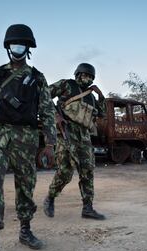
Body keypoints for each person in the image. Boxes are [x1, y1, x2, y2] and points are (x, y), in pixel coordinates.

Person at [0, 24, 56, 251]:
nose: (18, 49)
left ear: (28, 49)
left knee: (26, 186)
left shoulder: (38, 78)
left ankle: (25, 230)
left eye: (22, 45)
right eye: (14, 45)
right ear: (8, 48)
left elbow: (47, 111)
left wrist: (49, 144)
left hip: (26, 139)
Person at [43, 63, 106, 220]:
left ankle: (88, 208)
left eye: (90, 77)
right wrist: (55, 115)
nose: (88, 79)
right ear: (78, 74)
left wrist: (101, 96)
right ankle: (50, 197)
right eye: (85, 75)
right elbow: (44, 95)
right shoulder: (67, 85)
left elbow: (102, 113)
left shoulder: (91, 97)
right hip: (66, 130)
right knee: (65, 172)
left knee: (87, 170)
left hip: (83, 135)